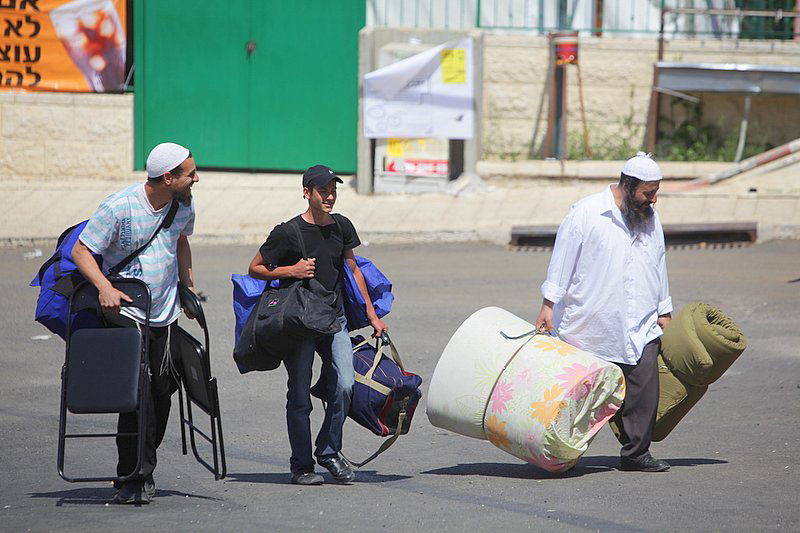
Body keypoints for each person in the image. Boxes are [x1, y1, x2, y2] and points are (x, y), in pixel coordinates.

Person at [72, 142, 199, 503]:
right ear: (167, 177)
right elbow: (82, 251)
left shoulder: (183, 203)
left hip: (164, 312)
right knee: (137, 395)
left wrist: (188, 289)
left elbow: (181, 242)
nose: (196, 178)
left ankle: (141, 468)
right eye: (190, 173)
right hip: (125, 312)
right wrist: (104, 287)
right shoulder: (119, 206)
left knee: (162, 395)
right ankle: (132, 475)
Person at [248, 164, 387, 486]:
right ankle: (301, 465)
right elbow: (255, 268)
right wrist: (290, 271)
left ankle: (328, 450)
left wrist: (371, 314)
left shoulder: (341, 226)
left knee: (345, 385)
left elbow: (353, 270)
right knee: (299, 395)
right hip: (298, 323)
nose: (329, 196)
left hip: (333, 318)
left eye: (333, 190)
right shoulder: (287, 232)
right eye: (323, 191)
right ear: (307, 193)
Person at [535, 152, 672, 473]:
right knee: (579, 397)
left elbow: (659, 261)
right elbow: (562, 259)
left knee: (643, 390)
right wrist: (548, 303)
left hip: (640, 321)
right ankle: (559, 451)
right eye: (647, 193)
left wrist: (664, 307)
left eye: (655, 193)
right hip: (591, 324)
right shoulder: (586, 213)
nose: (653, 201)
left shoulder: (651, 219)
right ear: (627, 185)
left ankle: (637, 453)